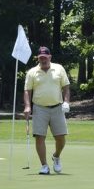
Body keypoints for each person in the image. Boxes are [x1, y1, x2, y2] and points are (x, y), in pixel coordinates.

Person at [24, 46, 70, 175]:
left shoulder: (59, 68)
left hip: (57, 107)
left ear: (50, 57)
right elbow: (27, 91)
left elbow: (66, 87)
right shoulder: (32, 72)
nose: (43, 60)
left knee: (61, 138)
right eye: (40, 58)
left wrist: (66, 102)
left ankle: (56, 156)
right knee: (39, 137)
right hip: (39, 108)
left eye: (45, 57)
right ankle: (44, 165)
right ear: (38, 58)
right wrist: (27, 106)